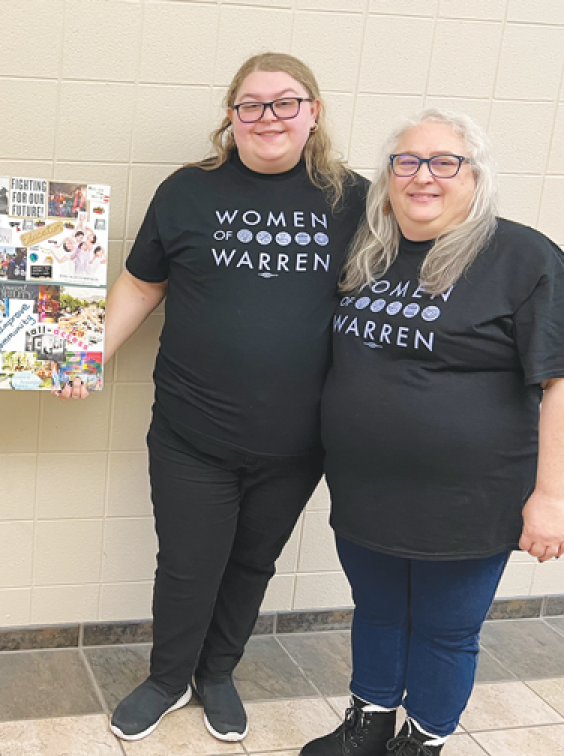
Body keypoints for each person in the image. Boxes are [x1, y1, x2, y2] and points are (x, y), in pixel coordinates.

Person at [58, 52, 368, 744]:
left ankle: (218, 673)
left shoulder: (355, 199)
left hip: (299, 441)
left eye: (285, 102)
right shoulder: (186, 193)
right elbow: (142, 285)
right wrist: (87, 354)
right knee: (189, 563)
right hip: (192, 432)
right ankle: (169, 679)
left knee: (253, 562)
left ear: (313, 112)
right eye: (251, 104)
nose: (268, 117)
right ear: (231, 117)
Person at [301, 110, 564, 756]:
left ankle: (424, 739)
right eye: (406, 161)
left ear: (476, 177)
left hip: (470, 501)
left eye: (443, 162)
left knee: (443, 629)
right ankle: (370, 720)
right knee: (376, 611)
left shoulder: (523, 257)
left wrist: (553, 498)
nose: (422, 176)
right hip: (366, 491)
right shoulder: (369, 251)